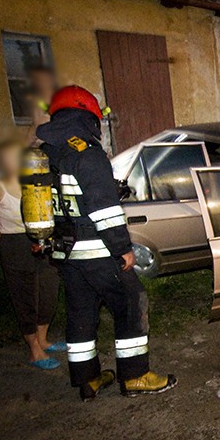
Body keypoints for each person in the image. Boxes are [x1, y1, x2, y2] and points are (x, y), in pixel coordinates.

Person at [36, 85, 176, 401]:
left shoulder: (45, 153)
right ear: (88, 117)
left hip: (66, 254)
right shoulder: (86, 152)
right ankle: (136, 376)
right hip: (98, 252)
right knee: (131, 303)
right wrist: (122, 248)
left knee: (81, 314)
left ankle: (89, 380)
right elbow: (105, 209)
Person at [0, 140, 63, 369]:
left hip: (42, 241)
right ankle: (34, 351)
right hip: (15, 245)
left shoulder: (36, 181)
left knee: (48, 292)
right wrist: (0, 230)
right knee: (25, 297)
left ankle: (43, 339)